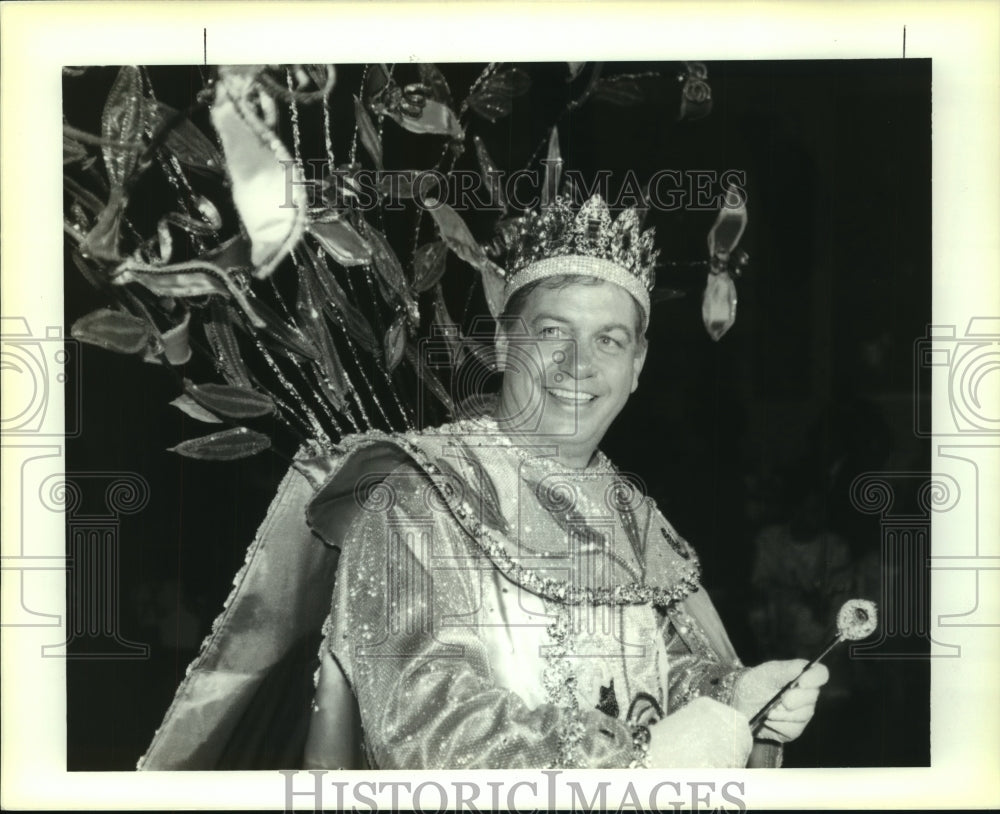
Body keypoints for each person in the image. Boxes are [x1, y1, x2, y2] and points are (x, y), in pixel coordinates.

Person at [139, 194, 827, 771]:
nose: (578, 363)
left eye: (609, 340)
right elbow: (420, 717)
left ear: (639, 363)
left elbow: (659, 676)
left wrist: (738, 696)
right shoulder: (420, 495)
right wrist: (627, 759)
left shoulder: (638, 518)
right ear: (502, 344)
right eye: (552, 332)